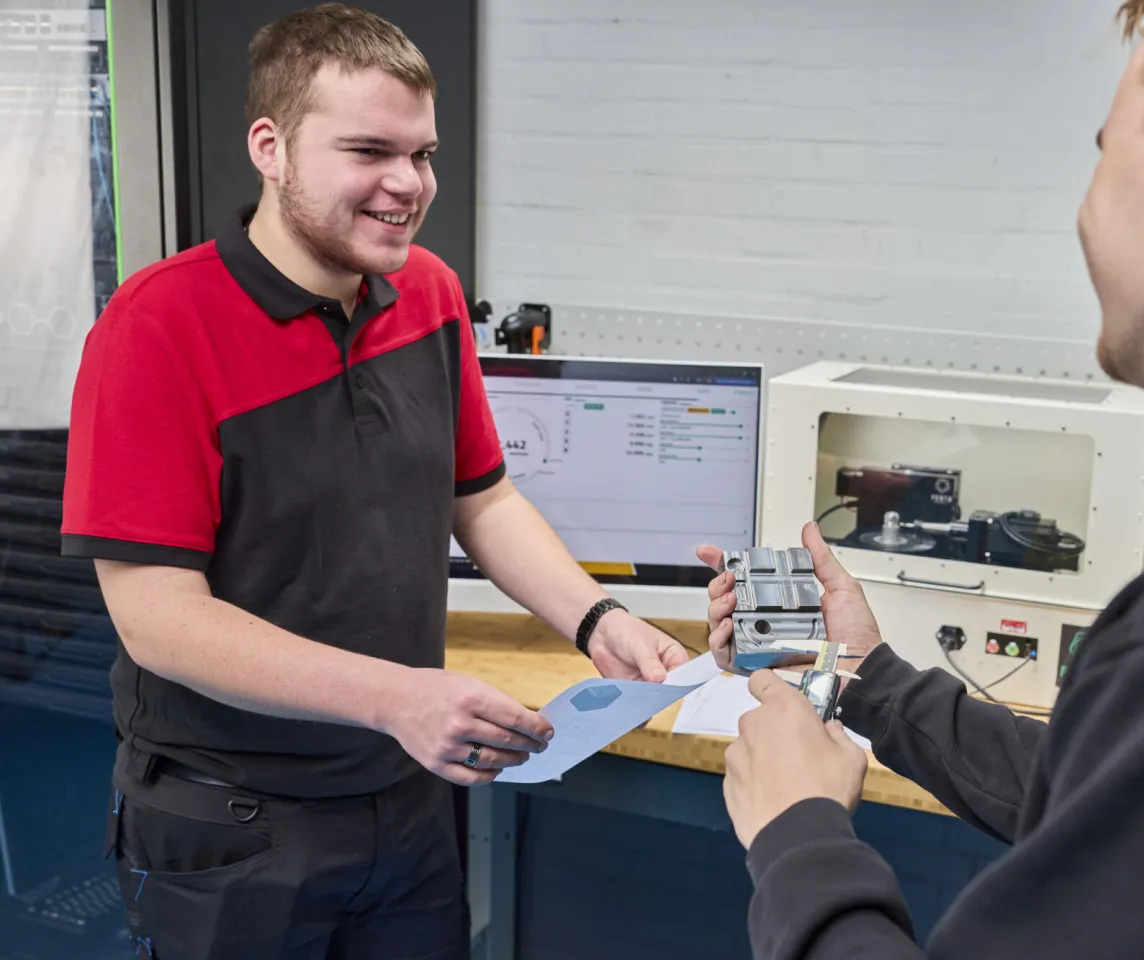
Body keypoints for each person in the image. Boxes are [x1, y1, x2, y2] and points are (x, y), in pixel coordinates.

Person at [699, 1, 1144, 957]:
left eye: (1102, 147)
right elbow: (1129, 791)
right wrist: (872, 679)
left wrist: (798, 833)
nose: (1087, 204)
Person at [60, 4, 687, 958]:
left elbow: (481, 498)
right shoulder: (156, 329)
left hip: (404, 797)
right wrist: (397, 696)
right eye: (368, 151)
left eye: (423, 154)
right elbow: (157, 618)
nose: (408, 185)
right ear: (269, 147)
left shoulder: (427, 291)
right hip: (234, 823)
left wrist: (600, 621)